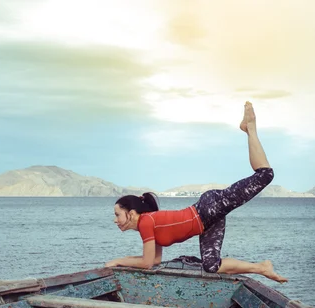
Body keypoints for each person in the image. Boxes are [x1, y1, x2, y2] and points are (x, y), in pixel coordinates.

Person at [105, 102, 288, 283]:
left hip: (207, 209)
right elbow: (154, 261)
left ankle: (250, 128)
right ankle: (262, 268)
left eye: (117, 214)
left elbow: (145, 264)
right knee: (211, 266)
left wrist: (119, 261)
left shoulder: (146, 222)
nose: (115, 220)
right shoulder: (149, 222)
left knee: (265, 175)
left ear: (130, 213)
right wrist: (123, 261)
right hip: (206, 222)